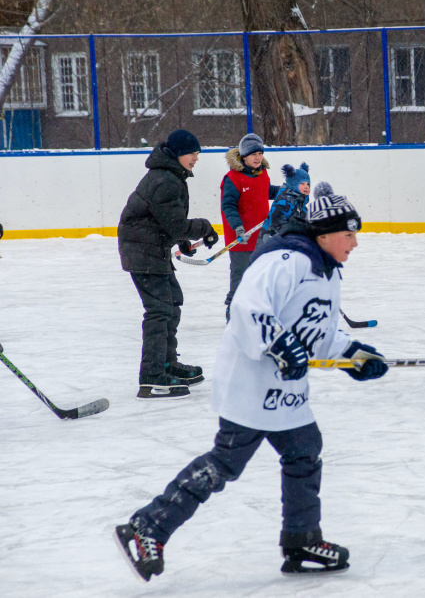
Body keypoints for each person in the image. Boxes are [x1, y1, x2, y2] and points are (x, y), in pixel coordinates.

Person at [114, 187, 389, 582]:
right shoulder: (285, 261)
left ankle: (301, 538)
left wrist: (355, 356)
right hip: (250, 383)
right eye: (349, 234)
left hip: (285, 392)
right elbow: (247, 308)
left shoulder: (326, 272)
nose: (355, 243)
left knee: (304, 450)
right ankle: (146, 526)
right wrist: (280, 346)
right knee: (225, 462)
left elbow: (318, 335)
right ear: (325, 233)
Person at [118, 129, 220, 400]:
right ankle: (151, 375)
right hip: (143, 252)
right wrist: (203, 228)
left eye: (198, 153)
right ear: (177, 153)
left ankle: (166, 363)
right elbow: (174, 223)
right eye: (192, 153)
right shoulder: (165, 180)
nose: (196, 158)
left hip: (151, 248)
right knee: (160, 310)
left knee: (172, 302)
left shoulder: (169, 175)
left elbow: (164, 221)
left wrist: (181, 240)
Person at [220, 133, 280, 321]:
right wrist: (238, 227)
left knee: (260, 277)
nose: (258, 157)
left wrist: (286, 192)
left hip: (261, 236)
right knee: (240, 277)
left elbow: (266, 191)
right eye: (253, 154)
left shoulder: (263, 174)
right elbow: (228, 206)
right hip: (240, 238)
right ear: (244, 156)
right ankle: (233, 310)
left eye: (260, 153)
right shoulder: (233, 178)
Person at [259, 163, 311, 246]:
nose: (306, 187)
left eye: (308, 184)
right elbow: (276, 222)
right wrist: (292, 236)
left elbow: (303, 220)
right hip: (270, 240)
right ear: (293, 185)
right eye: (302, 184)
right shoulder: (285, 200)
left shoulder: (300, 203)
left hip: (286, 241)